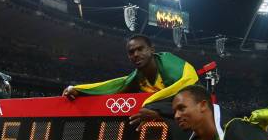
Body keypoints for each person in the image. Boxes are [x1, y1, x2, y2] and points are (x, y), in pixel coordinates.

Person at [62, 35, 198, 129]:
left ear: (151, 50)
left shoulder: (169, 64)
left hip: (197, 117)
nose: (136, 54)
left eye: (140, 49)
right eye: (131, 52)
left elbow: (190, 90)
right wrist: (78, 89)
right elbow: (113, 86)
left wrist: (158, 112)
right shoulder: (137, 77)